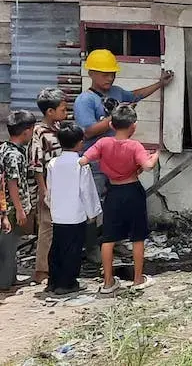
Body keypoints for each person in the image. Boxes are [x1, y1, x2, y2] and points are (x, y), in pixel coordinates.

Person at [74, 49, 172, 262]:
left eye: (112, 74)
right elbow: (88, 131)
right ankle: (91, 248)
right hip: (96, 161)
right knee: (93, 203)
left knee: (114, 203)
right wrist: (113, 119)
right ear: (91, 73)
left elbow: (136, 95)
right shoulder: (85, 100)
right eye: (104, 74)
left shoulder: (117, 93)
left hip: (116, 160)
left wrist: (160, 84)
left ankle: (113, 241)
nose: (109, 78)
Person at [80, 104, 159, 293]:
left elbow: (83, 160)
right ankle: (138, 279)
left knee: (108, 238)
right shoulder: (135, 146)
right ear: (134, 126)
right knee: (137, 236)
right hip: (133, 191)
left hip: (113, 192)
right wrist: (155, 156)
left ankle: (108, 283)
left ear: (112, 126)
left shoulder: (103, 143)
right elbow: (147, 166)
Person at [46, 124, 100, 295]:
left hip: (58, 214)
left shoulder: (53, 163)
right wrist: (93, 213)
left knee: (57, 248)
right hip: (75, 214)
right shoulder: (81, 164)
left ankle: (53, 281)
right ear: (79, 143)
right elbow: (87, 191)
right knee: (73, 250)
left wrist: (52, 206)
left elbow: (50, 189)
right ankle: (67, 283)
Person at [29, 88, 68, 284]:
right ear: (49, 112)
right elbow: (36, 165)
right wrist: (44, 190)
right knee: (47, 227)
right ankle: (42, 270)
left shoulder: (59, 127)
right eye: (62, 109)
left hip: (61, 184)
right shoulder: (39, 132)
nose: (66, 113)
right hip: (48, 185)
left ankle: (56, 265)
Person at [1, 110, 37, 289]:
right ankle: (5, 282)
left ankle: (11, 278)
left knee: (11, 244)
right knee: (8, 247)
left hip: (7, 206)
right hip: (10, 208)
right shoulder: (14, 155)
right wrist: (20, 209)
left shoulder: (5, 148)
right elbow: (12, 182)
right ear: (26, 131)